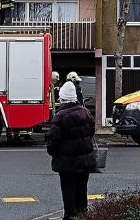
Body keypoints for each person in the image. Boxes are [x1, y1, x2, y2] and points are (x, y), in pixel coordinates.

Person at [46, 81, 96, 220]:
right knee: (82, 189)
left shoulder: (60, 117)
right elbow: (91, 132)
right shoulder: (85, 112)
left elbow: (53, 141)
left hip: (67, 162)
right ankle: (82, 214)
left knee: (68, 190)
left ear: (62, 98)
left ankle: (70, 215)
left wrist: (52, 152)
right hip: (85, 161)